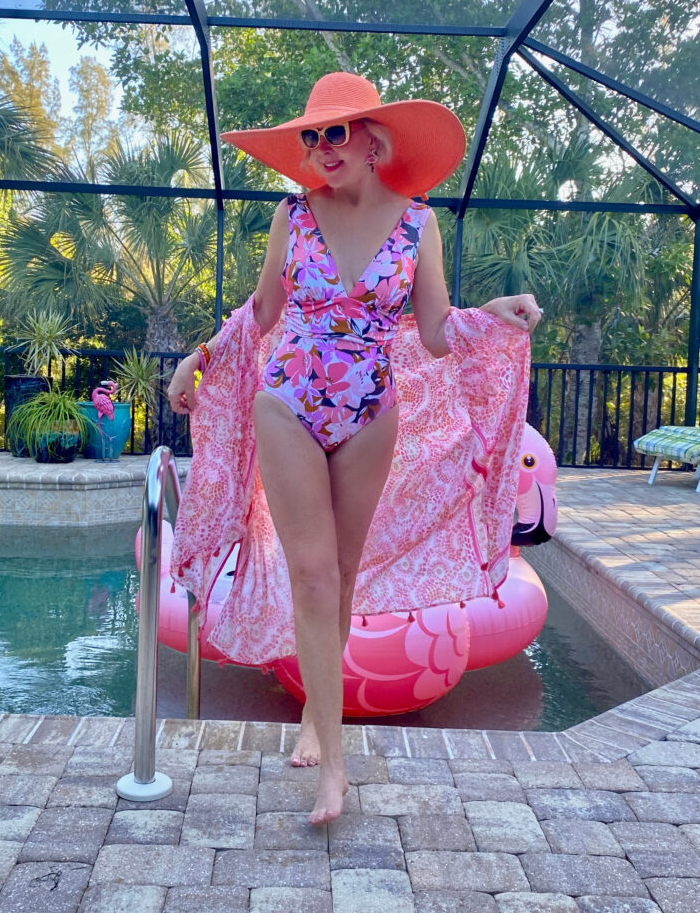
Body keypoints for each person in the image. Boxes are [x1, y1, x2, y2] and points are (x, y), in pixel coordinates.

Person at [166, 72, 541, 825]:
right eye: (310, 136)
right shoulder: (292, 216)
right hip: (288, 402)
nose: (320, 148)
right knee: (310, 574)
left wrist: (492, 315)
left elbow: (435, 334)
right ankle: (334, 766)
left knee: (340, 574)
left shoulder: (417, 225)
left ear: (374, 140)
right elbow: (262, 312)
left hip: (372, 412)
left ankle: (316, 718)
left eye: (334, 133)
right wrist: (198, 357)